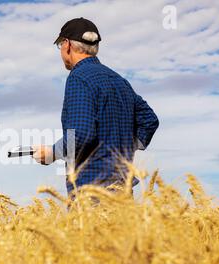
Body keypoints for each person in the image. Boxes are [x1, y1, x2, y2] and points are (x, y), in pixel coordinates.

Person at [32, 17, 159, 195]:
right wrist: (121, 150)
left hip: (92, 193)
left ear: (67, 44)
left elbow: (80, 135)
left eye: (60, 45)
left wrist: (51, 153)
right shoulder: (119, 80)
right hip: (123, 190)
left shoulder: (78, 78)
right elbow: (149, 120)